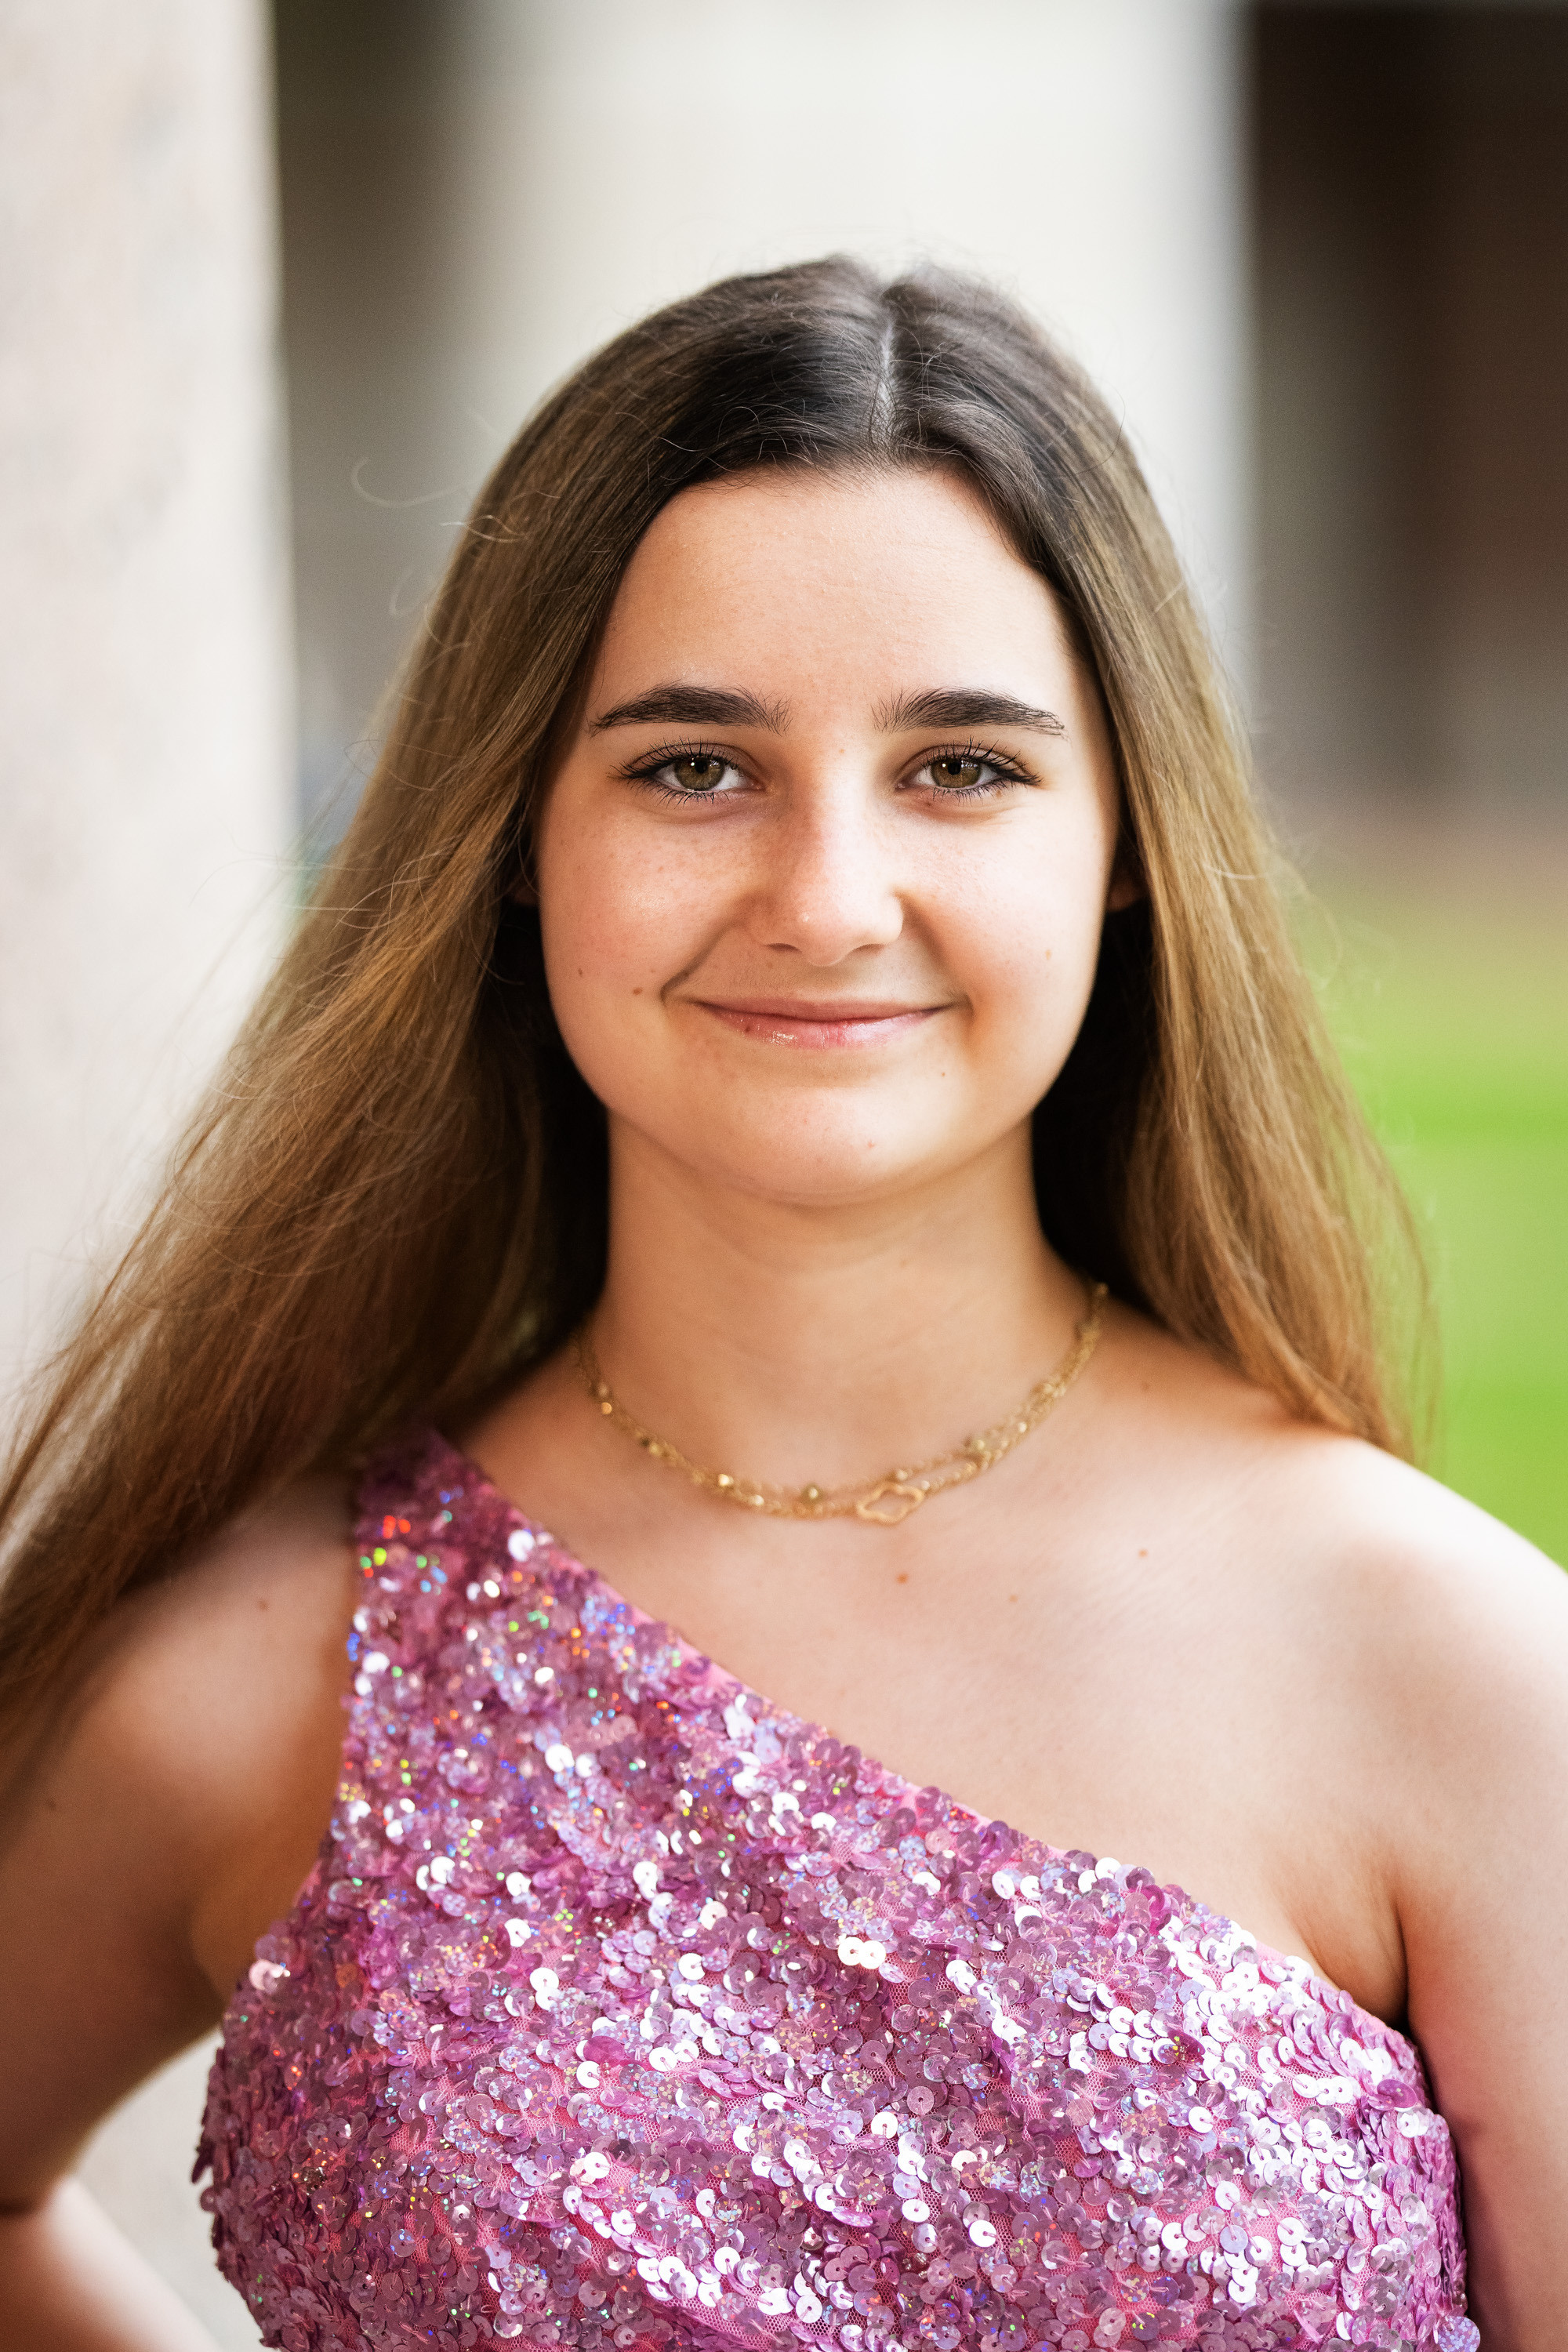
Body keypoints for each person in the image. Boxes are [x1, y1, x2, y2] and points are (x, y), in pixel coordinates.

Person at [0, 260, 1561, 2352]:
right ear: (519, 838)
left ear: (1124, 844)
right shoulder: (268, 1676)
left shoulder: (1447, 1667)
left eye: (962, 768)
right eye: (693, 769)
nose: (828, 899)